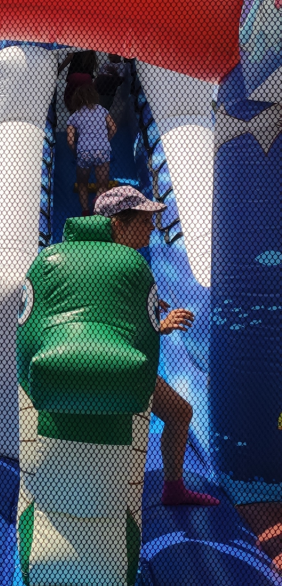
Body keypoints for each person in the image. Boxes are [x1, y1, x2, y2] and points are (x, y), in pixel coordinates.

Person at [94, 185, 219, 507]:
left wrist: (149, 304)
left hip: (127, 365)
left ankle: (170, 489)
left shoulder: (113, 259)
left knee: (179, 413)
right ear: (118, 225)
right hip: (118, 368)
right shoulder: (114, 264)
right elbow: (109, 324)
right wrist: (159, 326)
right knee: (170, 416)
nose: (151, 227)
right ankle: (148, 493)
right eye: (144, 221)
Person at [67, 83, 116, 215]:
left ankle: (85, 210)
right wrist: (105, 140)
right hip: (102, 149)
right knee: (103, 184)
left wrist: (75, 152)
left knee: (82, 183)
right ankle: (98, 207)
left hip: (84, 151)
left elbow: (70, 140)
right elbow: (113, 128)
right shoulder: (102, 110)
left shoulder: (74, 116)